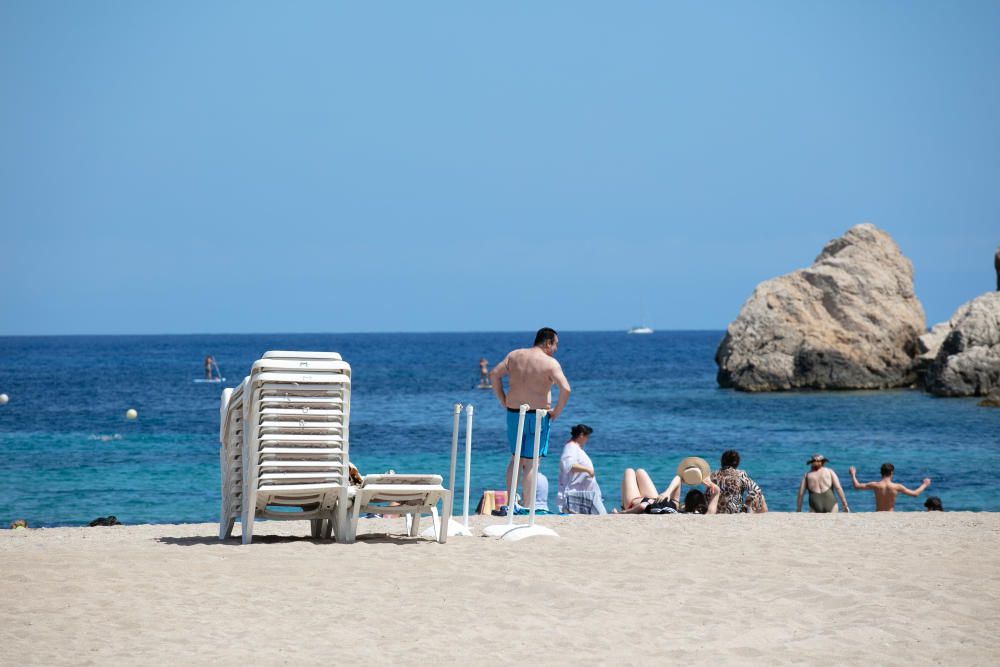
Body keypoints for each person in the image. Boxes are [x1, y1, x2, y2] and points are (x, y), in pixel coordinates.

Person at [490, 327, 571, 514]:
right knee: (532, 463)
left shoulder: (514, 355)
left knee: (515, 458)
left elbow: (494, 374)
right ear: (548, 342)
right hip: (538, 415)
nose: (556, 349)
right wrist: (556, 412)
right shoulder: (550, 363)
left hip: (513, 412)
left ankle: (511, 503)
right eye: (555, 344)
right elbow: (566, 389)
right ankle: (527, 506)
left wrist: (502, 399)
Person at [619, 457, 720, 514]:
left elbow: (641, 506)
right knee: (639, 471)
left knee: (630, 471)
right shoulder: (675, 508)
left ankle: (624, 505)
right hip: (652, 499)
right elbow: (679, 478)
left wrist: (622, 513)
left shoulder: (674, 506)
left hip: (635, 503)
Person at [557, 424, 607, 514]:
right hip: (575, 493)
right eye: (587, 437)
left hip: (585, 493)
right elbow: (569, 465)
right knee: (601, 514)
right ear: (581, 435)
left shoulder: (576, 447)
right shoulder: (570, 447)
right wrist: (587, 470)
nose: (587, 439)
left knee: (600, 514)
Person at [849, 463, 931, 511]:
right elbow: (915, 494)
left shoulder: (875, 485)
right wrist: (925, 484)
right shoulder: (897, 487)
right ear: (892, 473)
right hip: (890, 515)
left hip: (878, 514)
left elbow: (857, 486)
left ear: (881, 473)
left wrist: (853, 474)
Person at [711, 450, 768, 514]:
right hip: (735, 511)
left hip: (715, 510)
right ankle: (759, 514)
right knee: (760, 496)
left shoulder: (713, 475)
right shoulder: (740, 474)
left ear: (721, 462)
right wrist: (748, 501)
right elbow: (756, 490)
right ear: (737, 463)